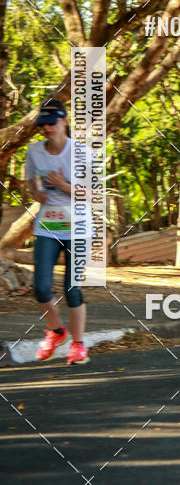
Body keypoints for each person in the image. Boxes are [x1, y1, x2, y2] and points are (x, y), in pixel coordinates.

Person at [25, 99, 89, 365]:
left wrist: (64, 186)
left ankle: (78, 344)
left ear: (65, 121)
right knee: (40, 287)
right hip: (48, 225)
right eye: (43, 125)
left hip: (79, 226)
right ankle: (56, 331)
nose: (47, 129)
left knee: (72, 290)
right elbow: (30, 181)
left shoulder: (82, 153)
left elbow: (92, 195)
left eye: (52, 123)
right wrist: (36, 193)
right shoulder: (34, 152)